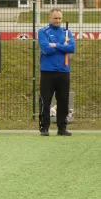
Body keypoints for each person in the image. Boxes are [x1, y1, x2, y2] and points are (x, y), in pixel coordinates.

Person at [38, 8, 75, 136]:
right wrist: (62, 46)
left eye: (59, 18)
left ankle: (62, 127)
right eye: (55, 18)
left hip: (64, 71)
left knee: (63, 100)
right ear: (50, 18)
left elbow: (71, 48)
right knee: (45, 99)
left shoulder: (66, 32)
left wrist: (56, 45)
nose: (57, 20)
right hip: (47, 71)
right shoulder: (43, 32)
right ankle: (44, 127)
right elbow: (46, 49)